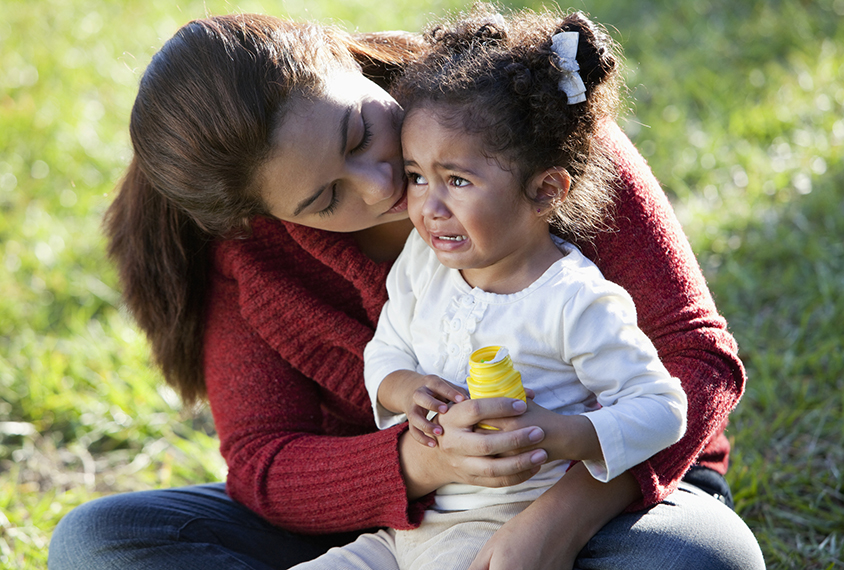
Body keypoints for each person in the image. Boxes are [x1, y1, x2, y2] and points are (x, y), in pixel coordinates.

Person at [47, 6, 765, 570]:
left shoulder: (521, 118)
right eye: (325, 200)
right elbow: (265, 464)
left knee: (701, 557)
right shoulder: (253, 255)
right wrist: (421, 461)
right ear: (262, 216)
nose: (382, 182)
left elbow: (696, 358)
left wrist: (559, 521)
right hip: (394, 532)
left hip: (611, 498)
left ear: (343, 56)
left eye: (360, 132)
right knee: (101, 542)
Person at [289, 9, 688, 569]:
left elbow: (663, 411)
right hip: (410, 525)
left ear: (546, 189)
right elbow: (385, 350)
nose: (426, 206)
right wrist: (406, 389)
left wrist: (568, 435)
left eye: (457, 180)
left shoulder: (573, 301)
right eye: (417, 175)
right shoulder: (422, 264)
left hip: (504, 527)